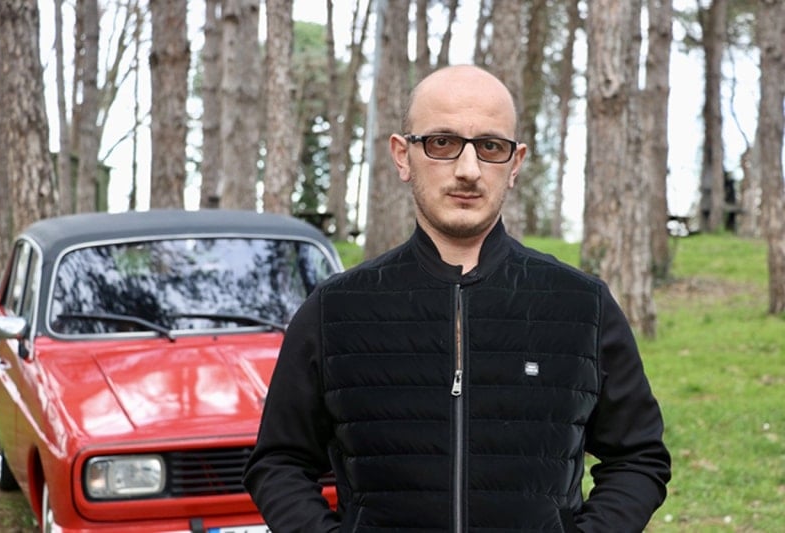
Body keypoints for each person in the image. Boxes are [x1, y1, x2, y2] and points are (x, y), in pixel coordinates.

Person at [243, 65, 671, 532]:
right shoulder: (334, 311)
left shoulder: (582, 306)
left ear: (515, 163)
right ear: (402, 156)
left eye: (490, 147)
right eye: (442, 143)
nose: (468, 170)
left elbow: (638, 457)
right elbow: (279, 463)